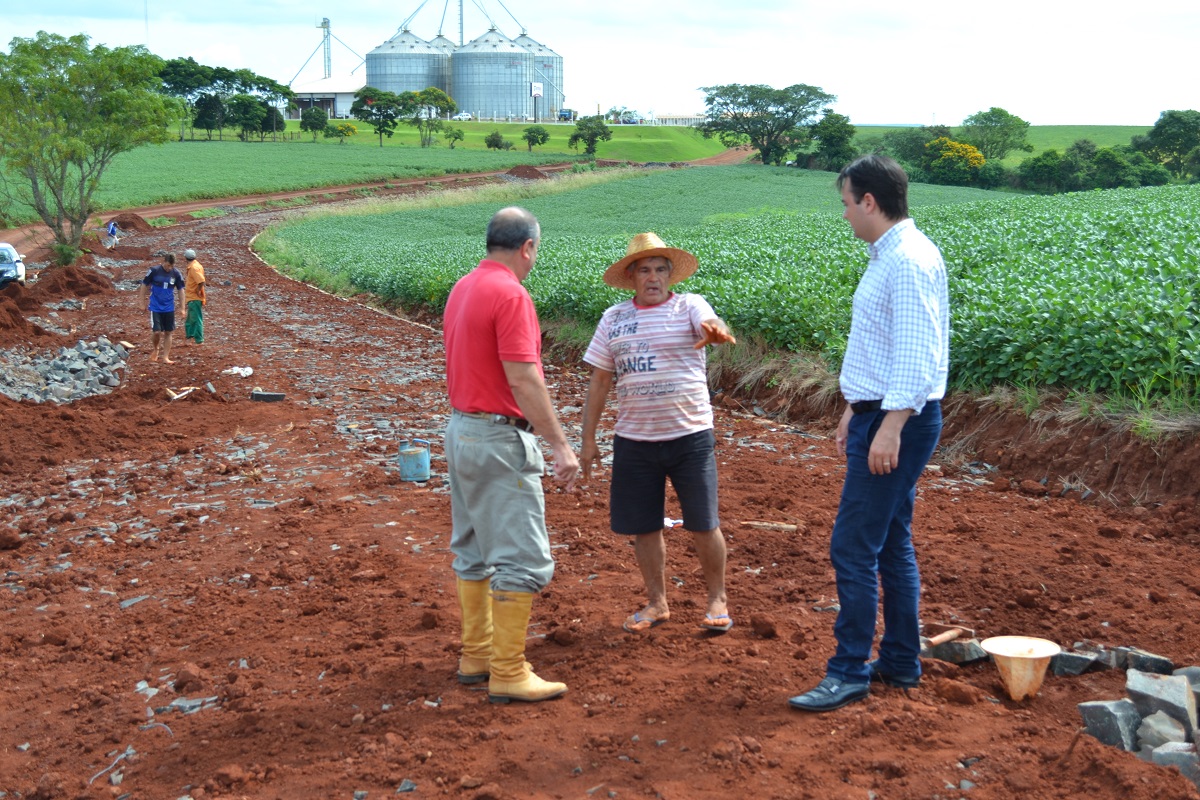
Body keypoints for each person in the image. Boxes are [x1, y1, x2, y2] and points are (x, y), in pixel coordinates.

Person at [788, 154, 949, 713]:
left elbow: (918, 354)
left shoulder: (907, 261)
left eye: (847, 204)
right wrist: (854, 410)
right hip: (877, 412)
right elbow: (882, 346)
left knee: (853, 545)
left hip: (896, 419)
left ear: (870, 202)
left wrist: (890, 425)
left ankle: (848, 670)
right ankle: (901, 660)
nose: (845, 215)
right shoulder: (892, 255)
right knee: (891, 539)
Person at [442, 206, 580, 704]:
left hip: (461, 430)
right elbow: (523, 377)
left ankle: (477, 655)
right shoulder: (511, 294)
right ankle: (507, 671)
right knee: (523, 559)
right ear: (527, 247)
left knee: (473, 551)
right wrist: (559, 444)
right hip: (498, 439)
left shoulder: (463, 287)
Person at [580, 233, 737, 635]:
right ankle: (656, 602)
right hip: (634, 440)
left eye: (660, 270)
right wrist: (588, 439)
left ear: (670, 275)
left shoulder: (690, 305)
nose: (653, 277)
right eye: (645, 270)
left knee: (704, 522)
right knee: (644, 526)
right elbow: (600, 381)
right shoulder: (613, 318)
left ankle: (717, 598)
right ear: (632, 277)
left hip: (690, 435)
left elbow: (712, 322)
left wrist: (717, 329)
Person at [137, 253, 186, 364]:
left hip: (169, 307)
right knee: (157, 332)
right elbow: (144, 285)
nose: (169, 268)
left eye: (171, 266)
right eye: (168, 265)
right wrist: (142, 302)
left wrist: (182, 307)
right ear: (163, 262)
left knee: (168, 332)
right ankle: (156, 348)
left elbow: (181, 290)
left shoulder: (176, 274)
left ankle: (165, 357)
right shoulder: (154, 271)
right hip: (155, 307)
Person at [183, 249, 206, 345]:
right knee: (190, 318)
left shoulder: (193, 268)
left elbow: (201, 281)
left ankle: (199, 339)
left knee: (196, 319)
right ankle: (190, 336)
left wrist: (198, 290)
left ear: (185, 258)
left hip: (194, 297)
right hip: (192, 298)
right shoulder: (197, 265)